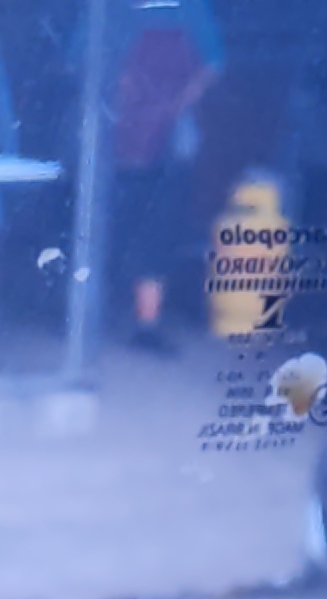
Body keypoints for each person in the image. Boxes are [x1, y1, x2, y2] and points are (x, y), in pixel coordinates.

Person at [106, 0, 220, 354]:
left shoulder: (192, 8)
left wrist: (171, 108)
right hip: (114, 136)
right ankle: (100, 315)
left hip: (168, 141)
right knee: (113, 225)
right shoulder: (110, 8)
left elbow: (211, 66)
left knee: (157, 228)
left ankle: (146, 323)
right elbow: (86, 64)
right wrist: (129, 107)